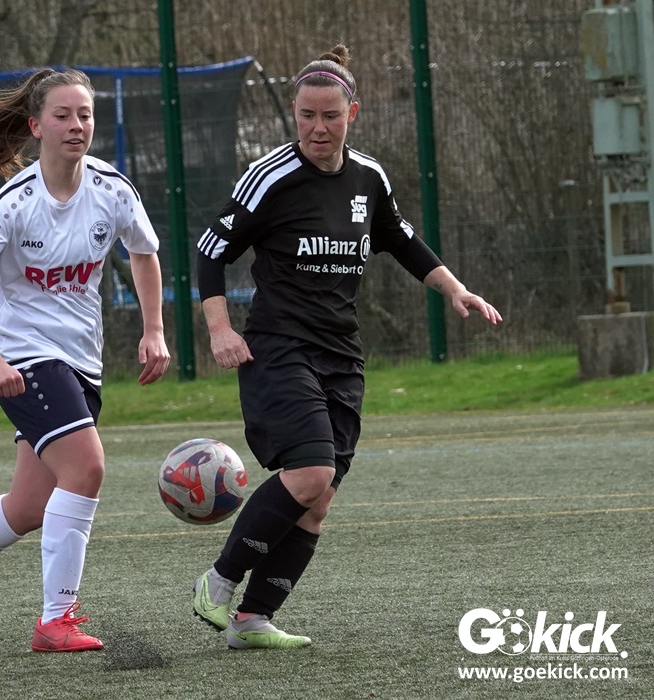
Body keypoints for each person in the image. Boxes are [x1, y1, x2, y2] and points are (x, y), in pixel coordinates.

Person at [190, 45, 503, 650]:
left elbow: (402, 239)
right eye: (306, 115)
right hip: (279, 348)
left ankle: (252, 619)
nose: (317, 127)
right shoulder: (270, 177)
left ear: (351, 113)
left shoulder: (369, 177)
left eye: (330, 115)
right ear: (294, 113)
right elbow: (210, 251)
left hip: (342, 355)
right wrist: (220, 330)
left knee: (318, 500)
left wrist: (456, 290)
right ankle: (219, 581)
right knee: (311, 472)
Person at [0, 67, 171, 653]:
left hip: (81, 361)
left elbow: (144, 253)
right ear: (36, 126)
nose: (76, 126)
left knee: (28, 507)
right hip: (26, 359)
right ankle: (56, 620)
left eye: (85, 115)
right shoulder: (16, 201)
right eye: (62, 115)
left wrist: (154, 330)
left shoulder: (112, 189)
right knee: (87, 468)